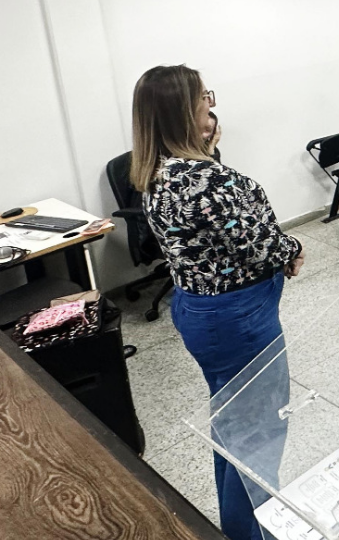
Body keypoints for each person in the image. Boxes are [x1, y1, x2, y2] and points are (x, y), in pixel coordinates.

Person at [130, 66, 304, 540]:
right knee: (259, 438)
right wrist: (292, 250)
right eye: (204, 96)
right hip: (240, 321)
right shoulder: (209, 180)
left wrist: (208, 151)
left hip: (200, 312)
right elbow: (260, 245)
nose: (211, 103)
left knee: (233, 427)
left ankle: (237, 529)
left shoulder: (157, 170)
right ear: (185, 111)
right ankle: (256, 535)